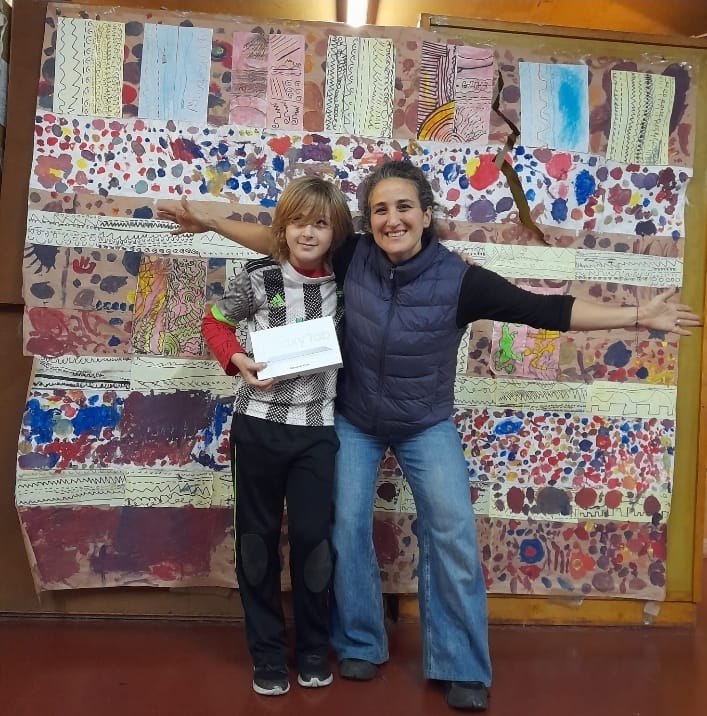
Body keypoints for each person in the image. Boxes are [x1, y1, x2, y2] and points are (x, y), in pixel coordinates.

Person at [158, 160, 699, 711]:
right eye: (380, 210)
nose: (393, 219)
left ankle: (461, 664)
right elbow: (284, 239)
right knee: (342, 524)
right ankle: (361, 643)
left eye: (403, 207)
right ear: (368, 222)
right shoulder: (353, 257)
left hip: (425, 423)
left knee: (452, 529)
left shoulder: (461, 280)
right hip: (355, 420)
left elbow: (546, 310)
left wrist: (636, 316)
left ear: (425, 214)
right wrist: (210, 221)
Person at [199, 176, 353, 696]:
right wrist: (236, 358)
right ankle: (266, 653)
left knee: (314, 543)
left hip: (317, 432)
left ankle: (312, 649)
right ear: (281, 228)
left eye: (321, 223)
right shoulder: (257, 278)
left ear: (336, 233)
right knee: (257, 543)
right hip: (258, 427)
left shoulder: (348, 285)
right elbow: (215, 322)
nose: (308, 233)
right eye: (297, 222)